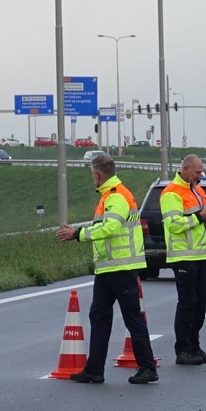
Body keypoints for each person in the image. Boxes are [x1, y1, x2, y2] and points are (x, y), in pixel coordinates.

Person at [55, 154, 156, 384]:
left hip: (122, 267)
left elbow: (110, 227)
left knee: (132, 318)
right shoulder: (108, 197)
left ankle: (148, 367)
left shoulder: (117, 195)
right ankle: (94, 369)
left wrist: (78, 234)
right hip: (108, 269)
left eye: (93, 174)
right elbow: (104, 226)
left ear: (98, 174)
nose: (93, 178)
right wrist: (81, 231)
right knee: (99, 316)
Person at [161, 154, 206, 365]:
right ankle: (182, 349)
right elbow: (174, 224)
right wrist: (199, 217)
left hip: (201, 254)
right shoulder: (171, 193)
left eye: (201, 171)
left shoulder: (199, 190)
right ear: (185, 169)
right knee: (187, 304)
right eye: (197, 171)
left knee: (201, 303)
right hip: (183, 256)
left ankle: (195, 346)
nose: (200, 175)